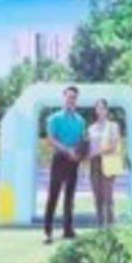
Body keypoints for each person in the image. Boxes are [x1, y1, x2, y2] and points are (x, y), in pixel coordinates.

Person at [43, 84, 87, 243]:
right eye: (68, 96)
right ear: (64, 98)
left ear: (76, 100)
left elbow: (82, 140)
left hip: (74, 162)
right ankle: (47, 232)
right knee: (53, 196)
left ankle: (68, 230)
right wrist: (67, 150)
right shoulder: (54, 118)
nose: (71, 99)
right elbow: (51, 139)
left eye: (74, 97)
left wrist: (79, 154)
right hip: (59, 160)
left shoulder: (81, 120)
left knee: (70, 197)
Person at [87, 97, 124, 230]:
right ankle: (100, 228)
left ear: (106, 110)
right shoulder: (91, 128)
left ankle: (111, 229)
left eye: (103, 107)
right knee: (98, 198)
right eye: (98, 107)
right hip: (94, 164)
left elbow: (113, 146)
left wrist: (96, 152)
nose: (100, 110)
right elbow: (89, 147)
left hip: (108, 164)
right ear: (95, 110)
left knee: (108, 199)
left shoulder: (113, 126)